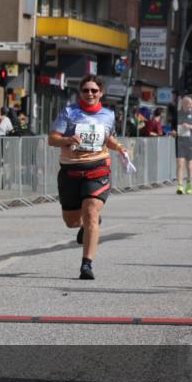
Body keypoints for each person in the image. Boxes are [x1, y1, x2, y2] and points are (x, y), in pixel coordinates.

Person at [48, 75, 131, 281]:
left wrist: (119, 147)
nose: (90, 94)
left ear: (101, 93)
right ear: (80, 92)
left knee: (91, 211)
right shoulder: (69, 112)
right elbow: (52, 139)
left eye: (94, 90)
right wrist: (67, 139)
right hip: (70, 171)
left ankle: (87, 264)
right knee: (71, 221)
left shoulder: (108, 115)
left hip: (97, 168)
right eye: (86, 90)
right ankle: (85, 224)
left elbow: (108, 138)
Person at [173, 96, 192, 195]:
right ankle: (180, 185)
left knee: (189, 165)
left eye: (191, 104)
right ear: (183, 104)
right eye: (188, 104)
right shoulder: (177, 114)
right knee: (180, 164)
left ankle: (189, 183)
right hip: (179, 141)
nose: (190, 105)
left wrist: (190, 126)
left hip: (190, 141)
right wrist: (173, 131)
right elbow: (172, 127)